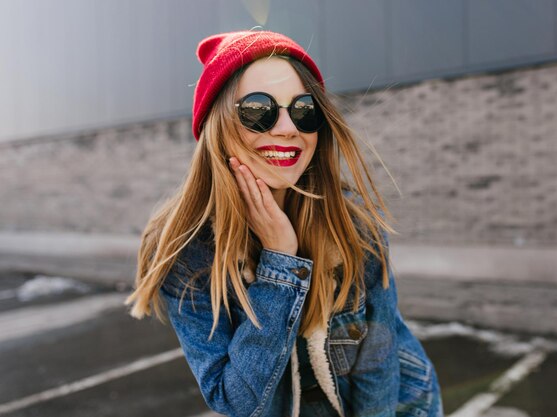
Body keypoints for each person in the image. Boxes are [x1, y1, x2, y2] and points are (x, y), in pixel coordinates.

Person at [124, 30, 444, 417]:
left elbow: (378, 363)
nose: (288, 128)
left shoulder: (351, 223)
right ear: (218, 128)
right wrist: (280, 264)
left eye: (304, 110)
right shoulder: (186, 250)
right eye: (259, 110)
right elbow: (237, 401)